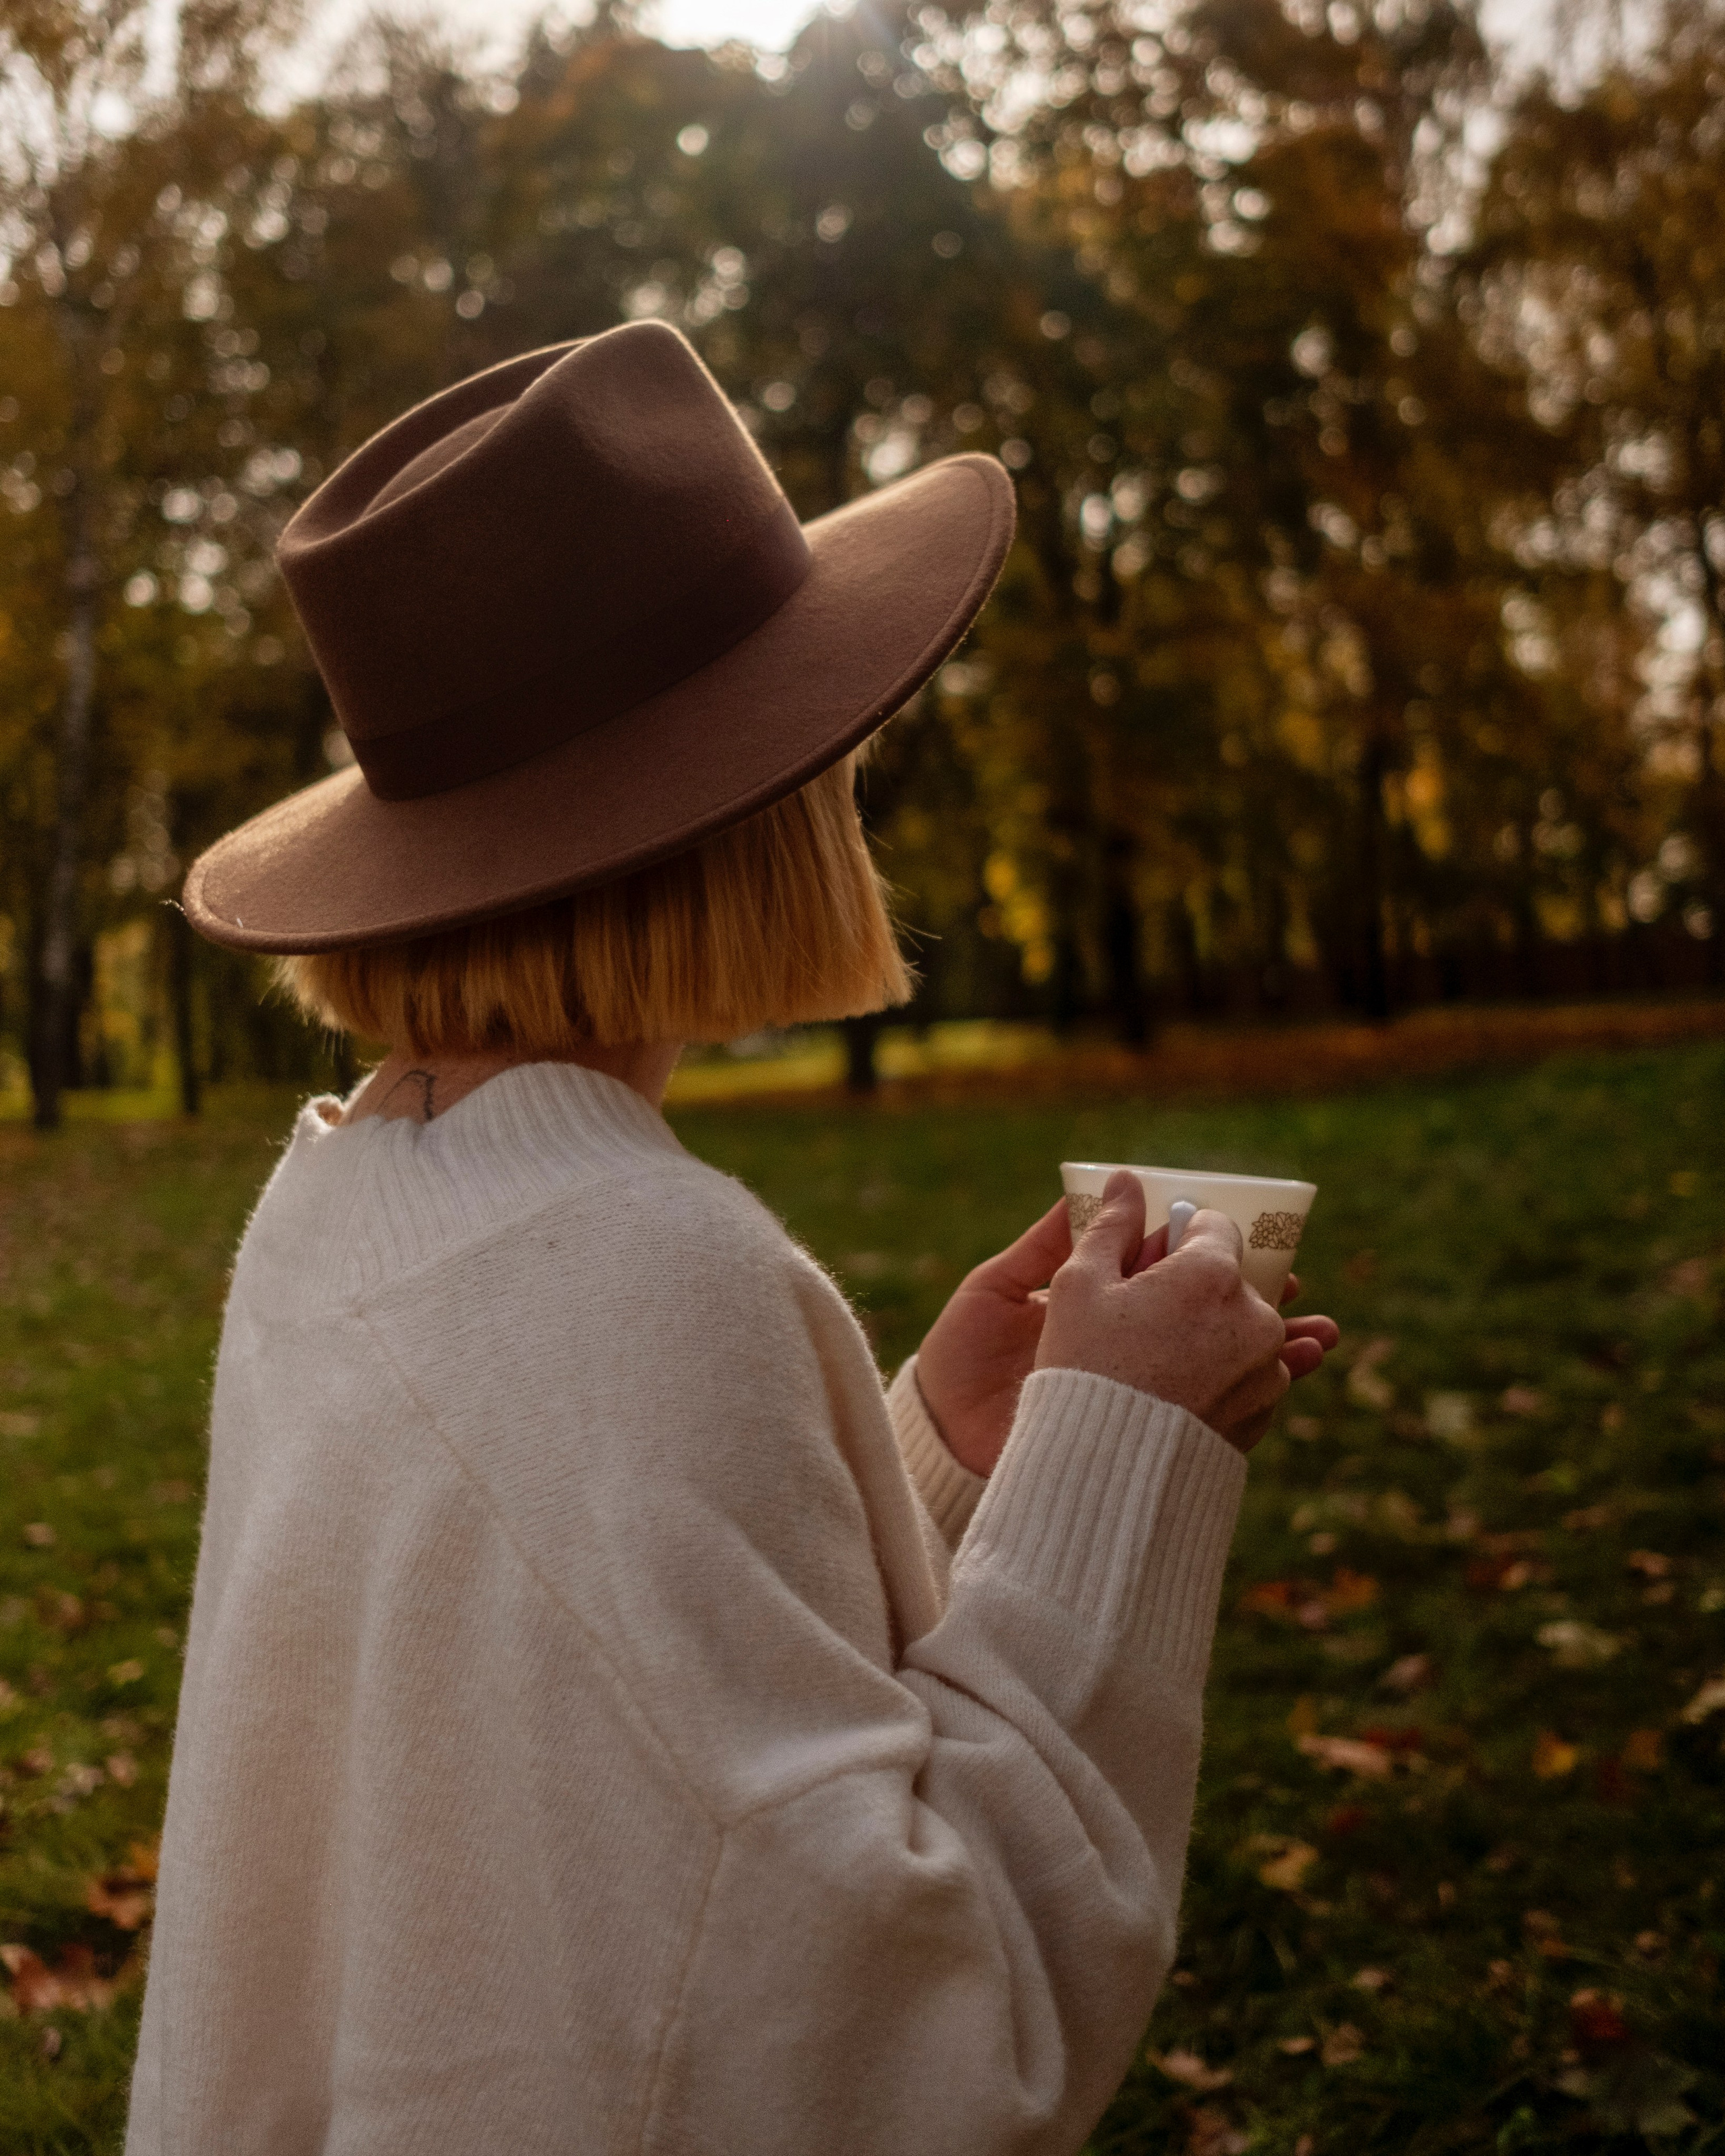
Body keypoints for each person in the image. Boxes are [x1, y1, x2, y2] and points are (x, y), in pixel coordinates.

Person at [129, 320, 1338, 2155]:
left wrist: (932, 1457)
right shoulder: (645, 1264)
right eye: (825, 741)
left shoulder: (346, 1208)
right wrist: (1121, 1461)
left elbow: (608, 1721)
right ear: (751, 809)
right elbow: (893, 2046)